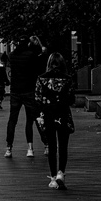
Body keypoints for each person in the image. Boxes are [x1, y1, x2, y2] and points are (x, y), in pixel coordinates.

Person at [35, 52, 76, 189]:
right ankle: (61, 173)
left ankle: (52, 177)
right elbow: (71, 99)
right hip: (63, 114)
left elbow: (38, 99)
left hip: (48, 115)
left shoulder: (41, 79)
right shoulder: (68, 79)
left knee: (52, 146)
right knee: (63, 146)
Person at [4, 34, 48, 158]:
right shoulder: (31, 56)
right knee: (34, 118)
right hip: (29, 90)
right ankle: (44, 144)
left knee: (12, 120)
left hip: (15, 91)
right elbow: (38, 70)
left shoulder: (12, 56)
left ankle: (9, 147)